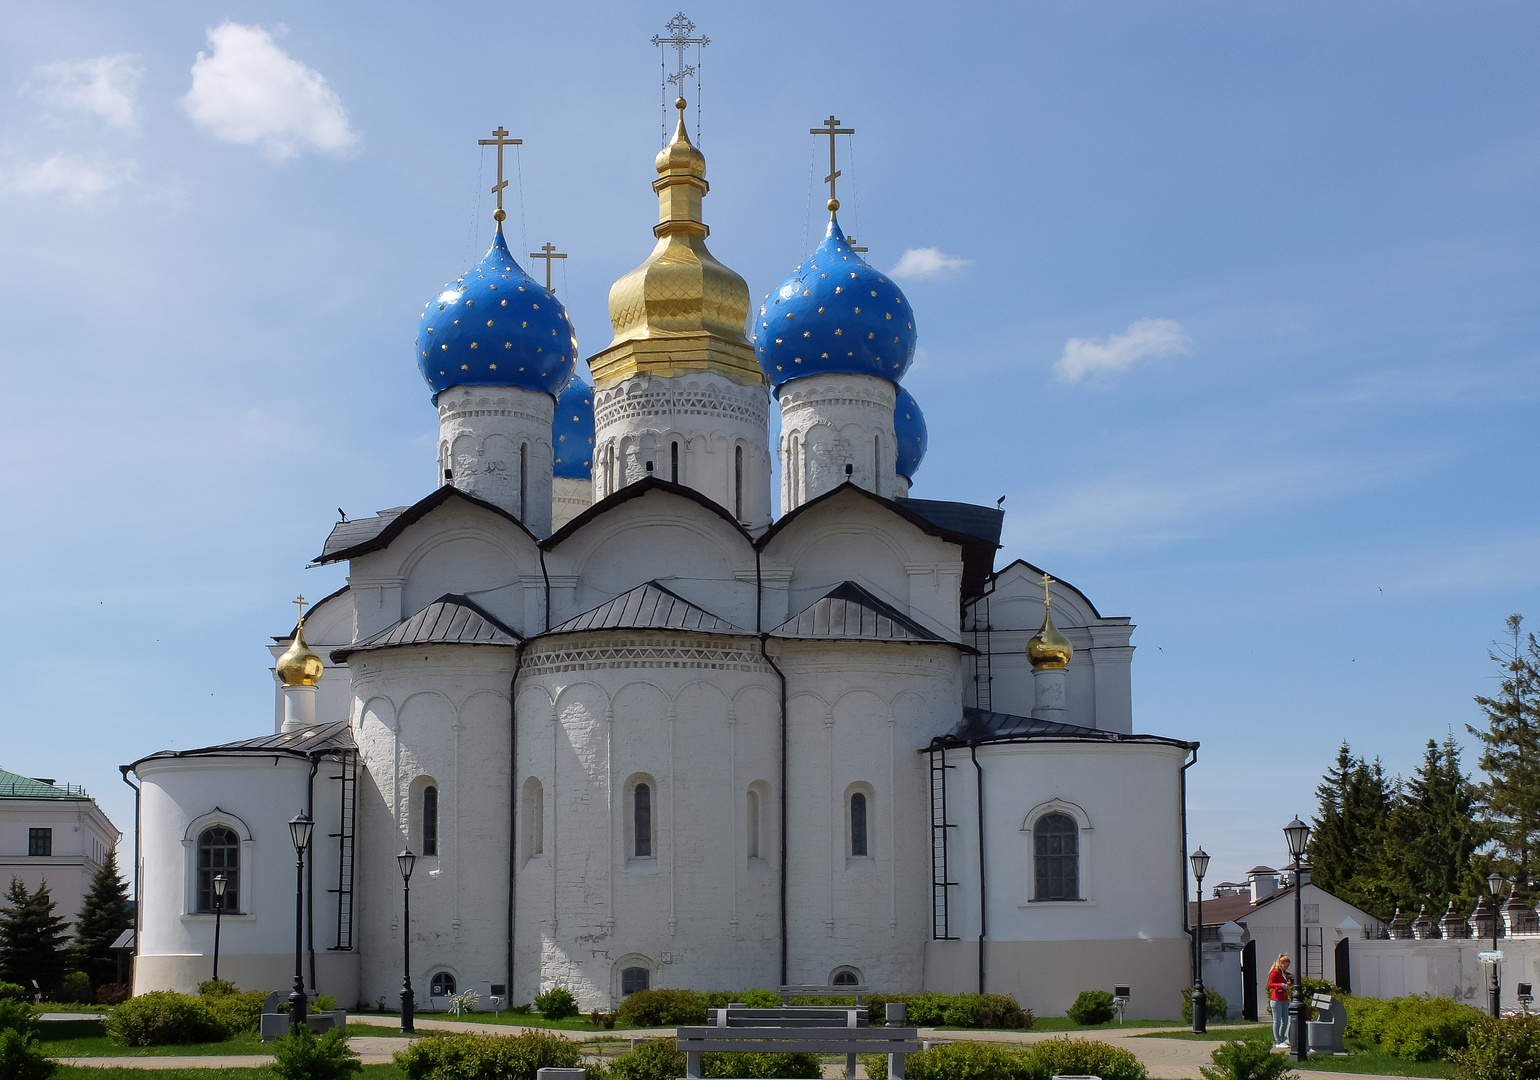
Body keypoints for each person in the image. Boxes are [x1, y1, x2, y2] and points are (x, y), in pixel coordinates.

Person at [1267, 954, 1294, 1049]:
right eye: (1285, 965)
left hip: (1284, 999)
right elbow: (1270, 984)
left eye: (1287, 965)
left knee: (1285, 1021)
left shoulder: (1283, 973)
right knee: (1277, 1021)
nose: (1286, 967)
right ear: (1281, 963)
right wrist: (1281, 985)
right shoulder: (1275, 972)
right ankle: (1277, 1040)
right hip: (1276, 999)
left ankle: (1282, 1038)